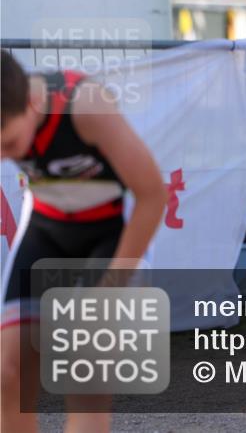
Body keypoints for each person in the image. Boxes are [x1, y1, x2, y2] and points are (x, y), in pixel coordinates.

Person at [0, 51, 168, 433]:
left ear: (33, 103)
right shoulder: (12, 113)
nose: (4, 157)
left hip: (110, 233)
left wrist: (113, 285)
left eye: (9, 143)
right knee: (8, 374)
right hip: (46, 229)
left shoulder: (87, 106)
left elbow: (152, 195)